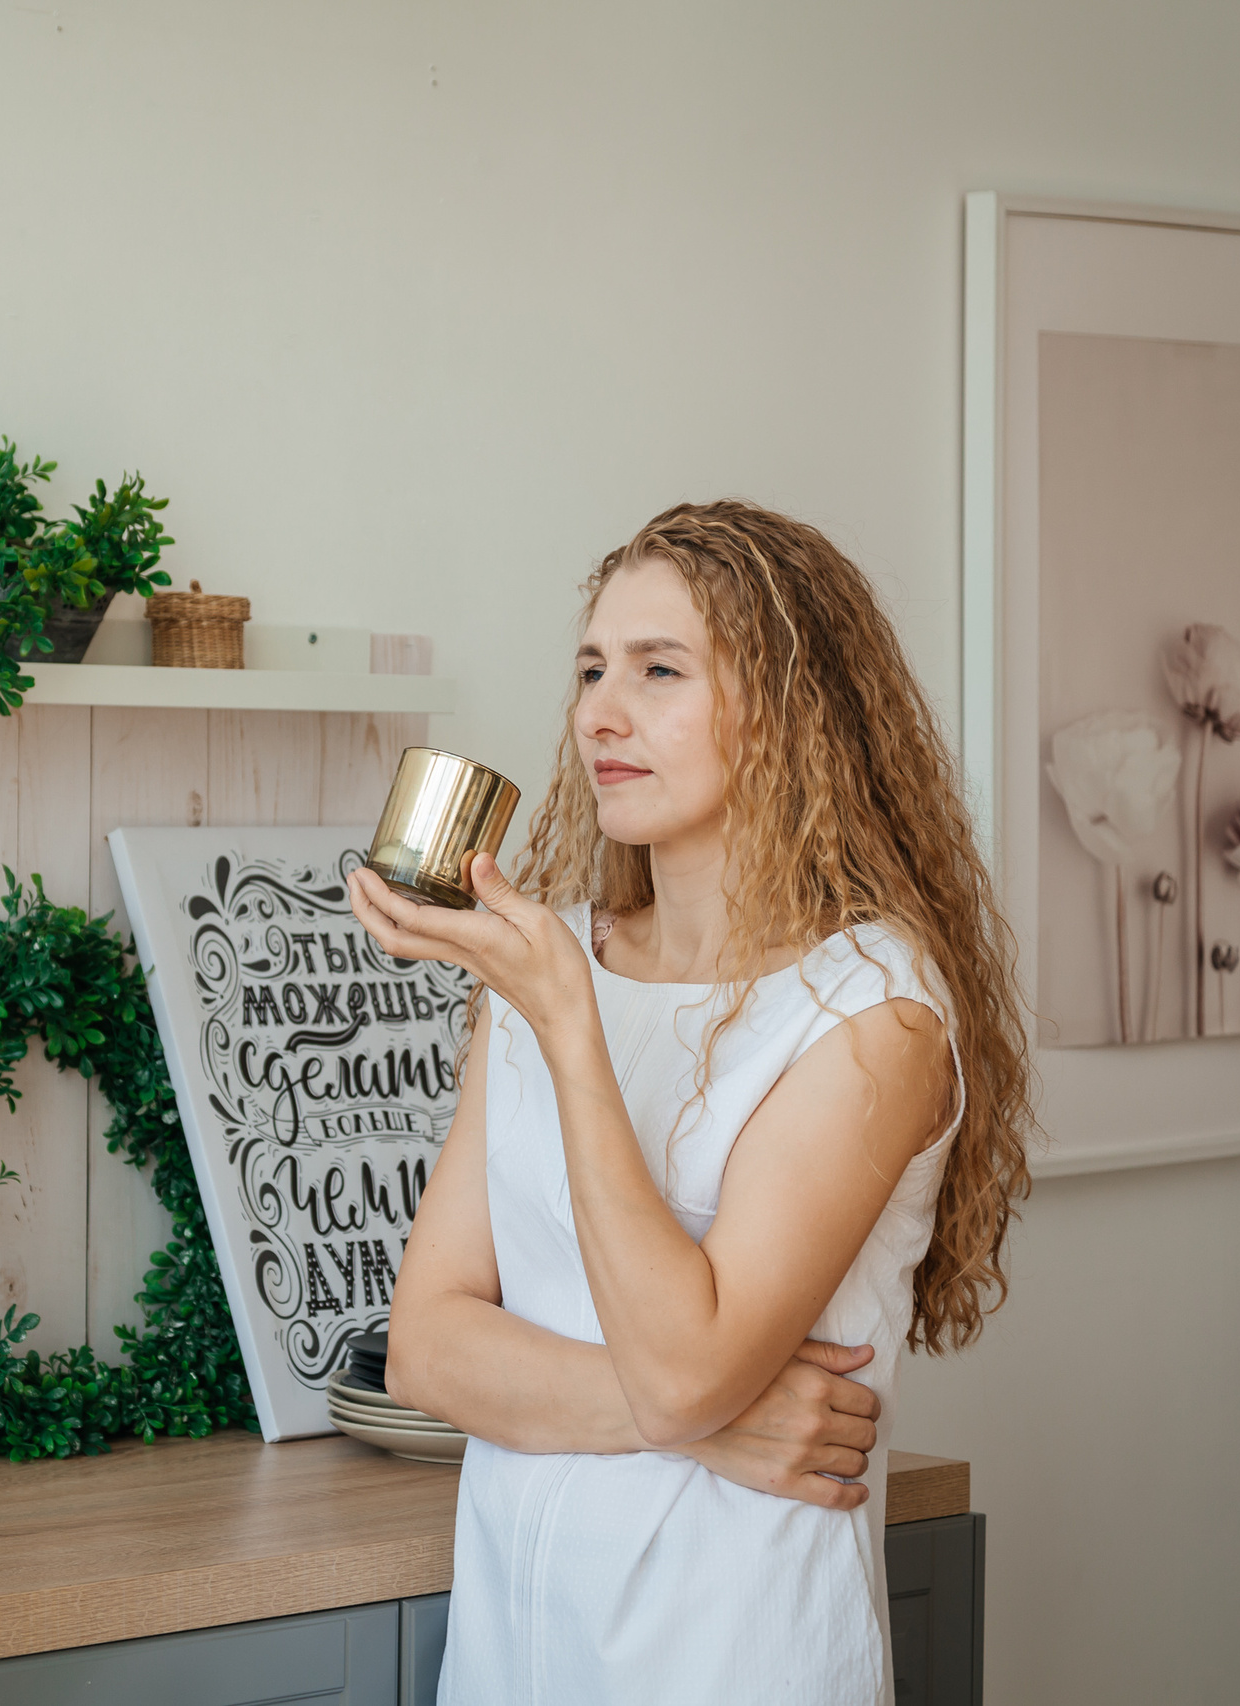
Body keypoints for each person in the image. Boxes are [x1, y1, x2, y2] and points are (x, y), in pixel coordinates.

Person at [349, 501, 1033, 1704]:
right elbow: (429, 1345)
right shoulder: (547, 957)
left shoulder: (872, 1011)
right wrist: (717, 1424)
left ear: (786, 706)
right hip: (513, 1647)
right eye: (591, 668)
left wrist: (569, 1026)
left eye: (659, 669)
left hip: (734, 1651)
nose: (600, 712)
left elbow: (680, 1366)